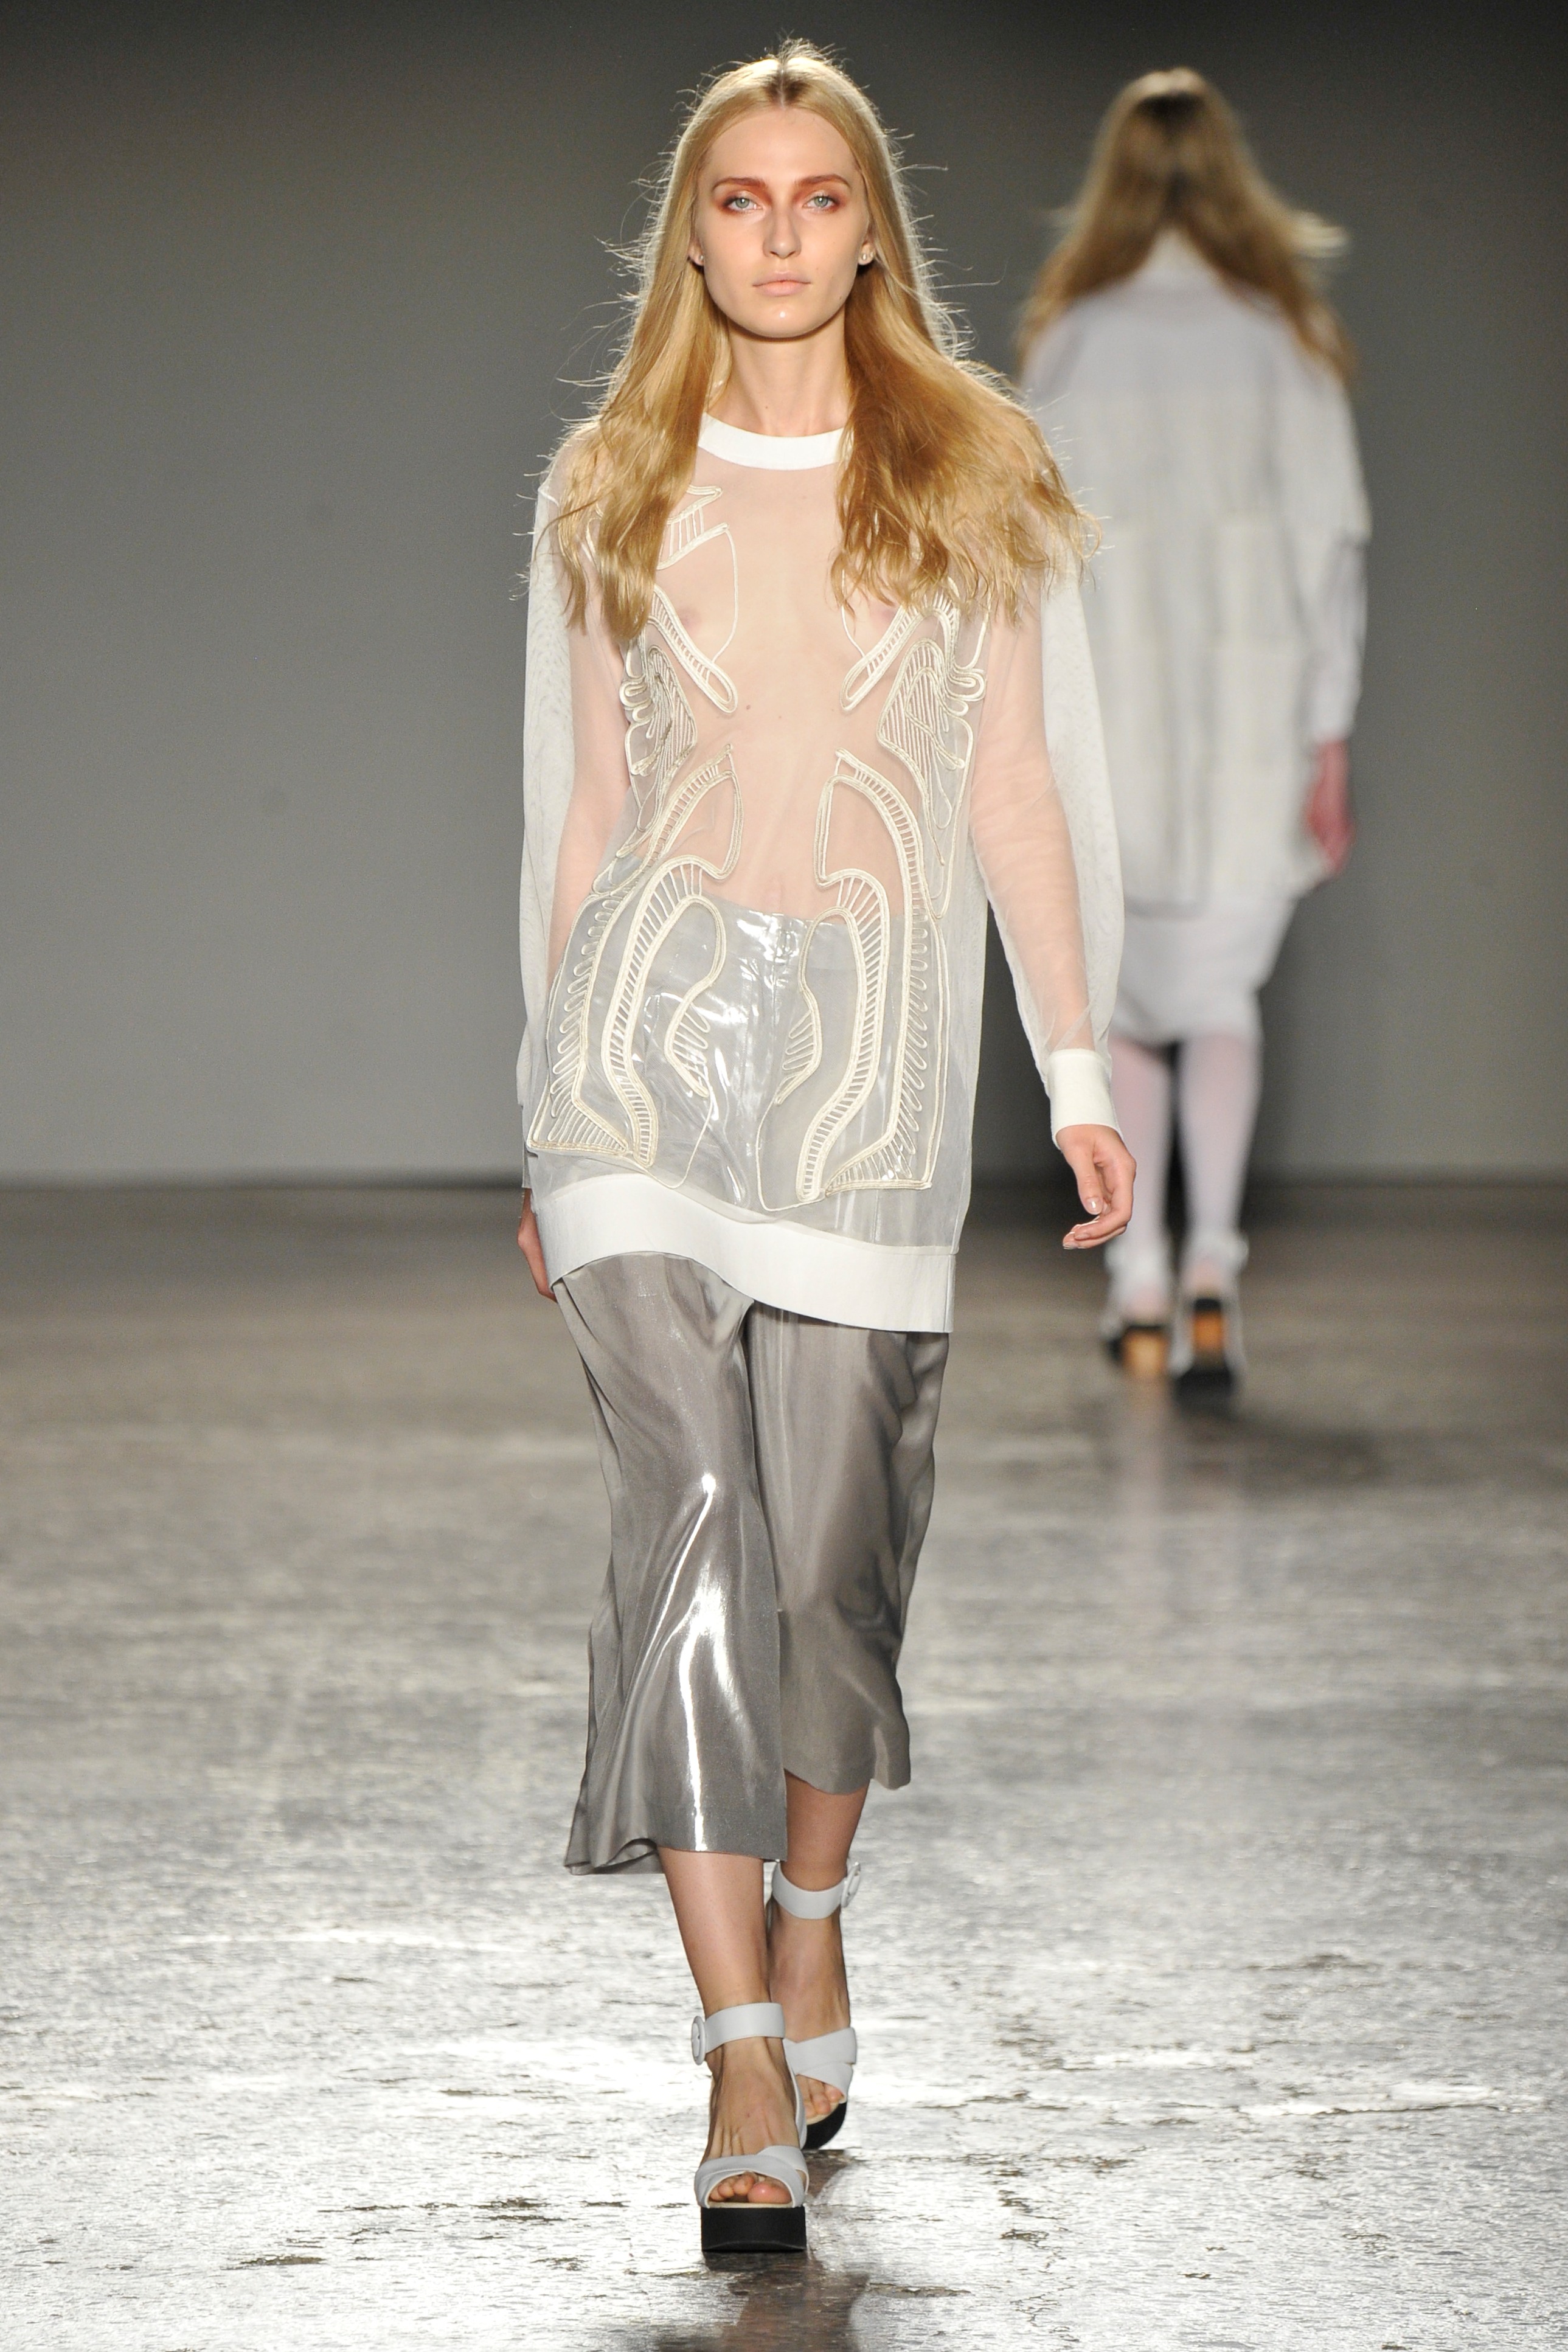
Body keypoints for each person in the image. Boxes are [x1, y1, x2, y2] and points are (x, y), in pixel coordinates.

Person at [515, 42, 1132, 2255]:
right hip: (639, 1059)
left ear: (870, 230)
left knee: (829, 1568)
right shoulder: (609, 475)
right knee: (687, 1521)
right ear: (692, 236)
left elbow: (1014, 790)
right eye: (738, 198)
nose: (777, 232)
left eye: (815, 196)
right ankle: (735, 2053)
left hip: (869, 1060)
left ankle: (811, 1910)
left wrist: (1073, 1063)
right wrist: (540, 1095)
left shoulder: (970, 465)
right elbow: (581, 808)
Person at [1021, 69, 1369, 1400]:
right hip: (1250, 717)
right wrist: (1327, 733)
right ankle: (1214, 1264)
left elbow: (1029, 557)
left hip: (1109, 717)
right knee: (1220, 997)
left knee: (1120, 999)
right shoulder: (1283, 337)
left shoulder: (1073, 340)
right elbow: (1331, 549)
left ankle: (1138, 1280)